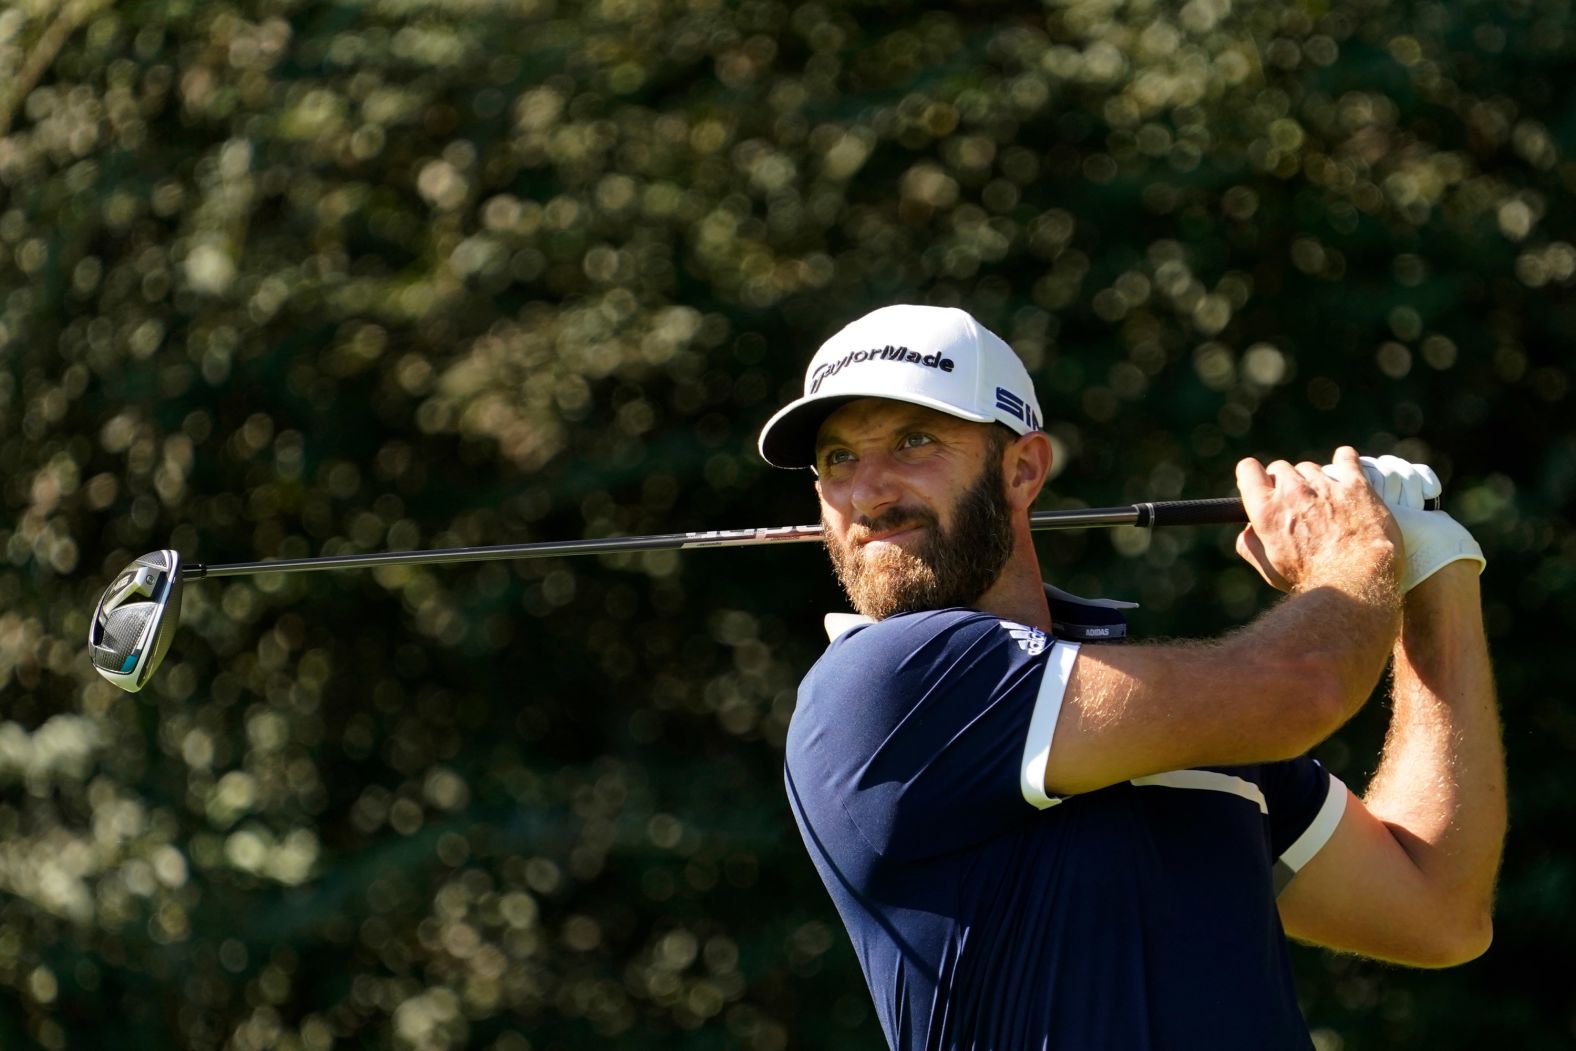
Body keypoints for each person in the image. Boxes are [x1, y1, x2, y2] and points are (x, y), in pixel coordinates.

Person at [756, 304, 1504, 1050]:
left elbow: (1438, 908)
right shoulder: (886, 682)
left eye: (913, 441)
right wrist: (1357, 550)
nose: (867, 491)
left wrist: (1436, 573)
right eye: (837, 459)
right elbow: (1305, 683)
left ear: (1022, 469)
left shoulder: (1173, 722)